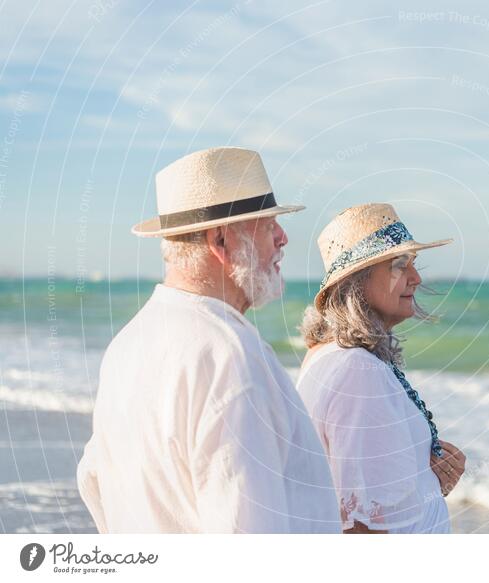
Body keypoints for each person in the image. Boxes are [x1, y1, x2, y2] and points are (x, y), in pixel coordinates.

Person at [76, 147, 340, 533]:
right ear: (221, 241)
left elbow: (95, 485)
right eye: (268, 225)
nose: (283, 238)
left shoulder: (126, 345)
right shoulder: (227, 356)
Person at [297, 203, 466, 533]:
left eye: (414, 265)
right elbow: (360, 527)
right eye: (399, 265)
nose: (416, 279)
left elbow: (358, 494)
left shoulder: (327, 354)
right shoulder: (357, 371)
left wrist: (427, 482)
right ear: (356, 281)